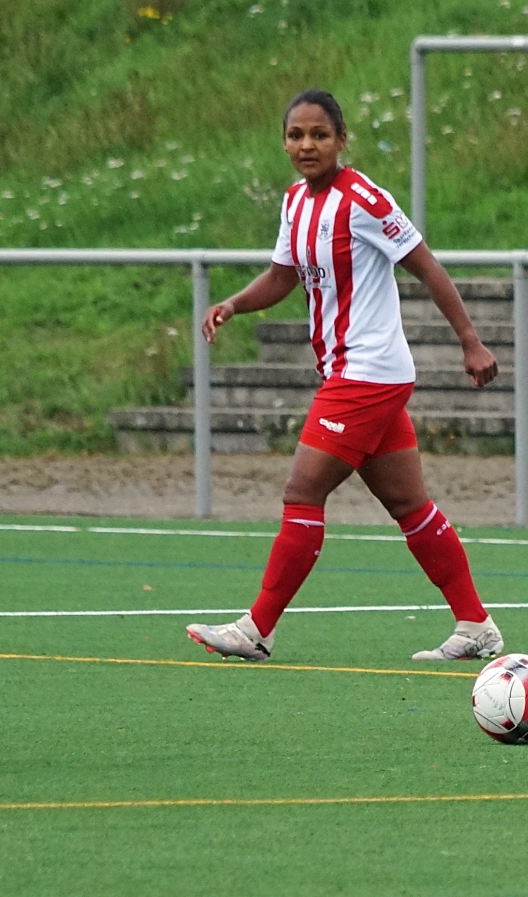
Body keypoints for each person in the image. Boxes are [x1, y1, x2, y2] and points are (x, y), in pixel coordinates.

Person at [186, 89, 504, 664]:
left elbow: (426, 266)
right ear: (284, 143)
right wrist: (233, 304)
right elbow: (281, 277)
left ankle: (256, 628)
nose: (306, 145)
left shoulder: (364, 200)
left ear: (341, 140)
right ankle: (476, 625)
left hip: (368, 372)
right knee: (408, 503)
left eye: (319, 134)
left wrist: (470, 341)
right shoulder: (294, 202)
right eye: (296, 135)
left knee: (302, 492)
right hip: (352, 372)